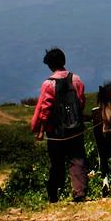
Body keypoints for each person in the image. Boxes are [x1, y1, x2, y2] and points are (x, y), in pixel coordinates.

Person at [30, 46, 88, 202]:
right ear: (64, 61)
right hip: (76, 128)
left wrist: (38, 129)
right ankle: (79, 192)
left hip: (56, 132)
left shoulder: (48, 84)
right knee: (77, 160)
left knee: (56, 162)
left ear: (50, 65)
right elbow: (81, 102)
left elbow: (44, 109)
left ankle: (53, 193)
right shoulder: (76, 79)